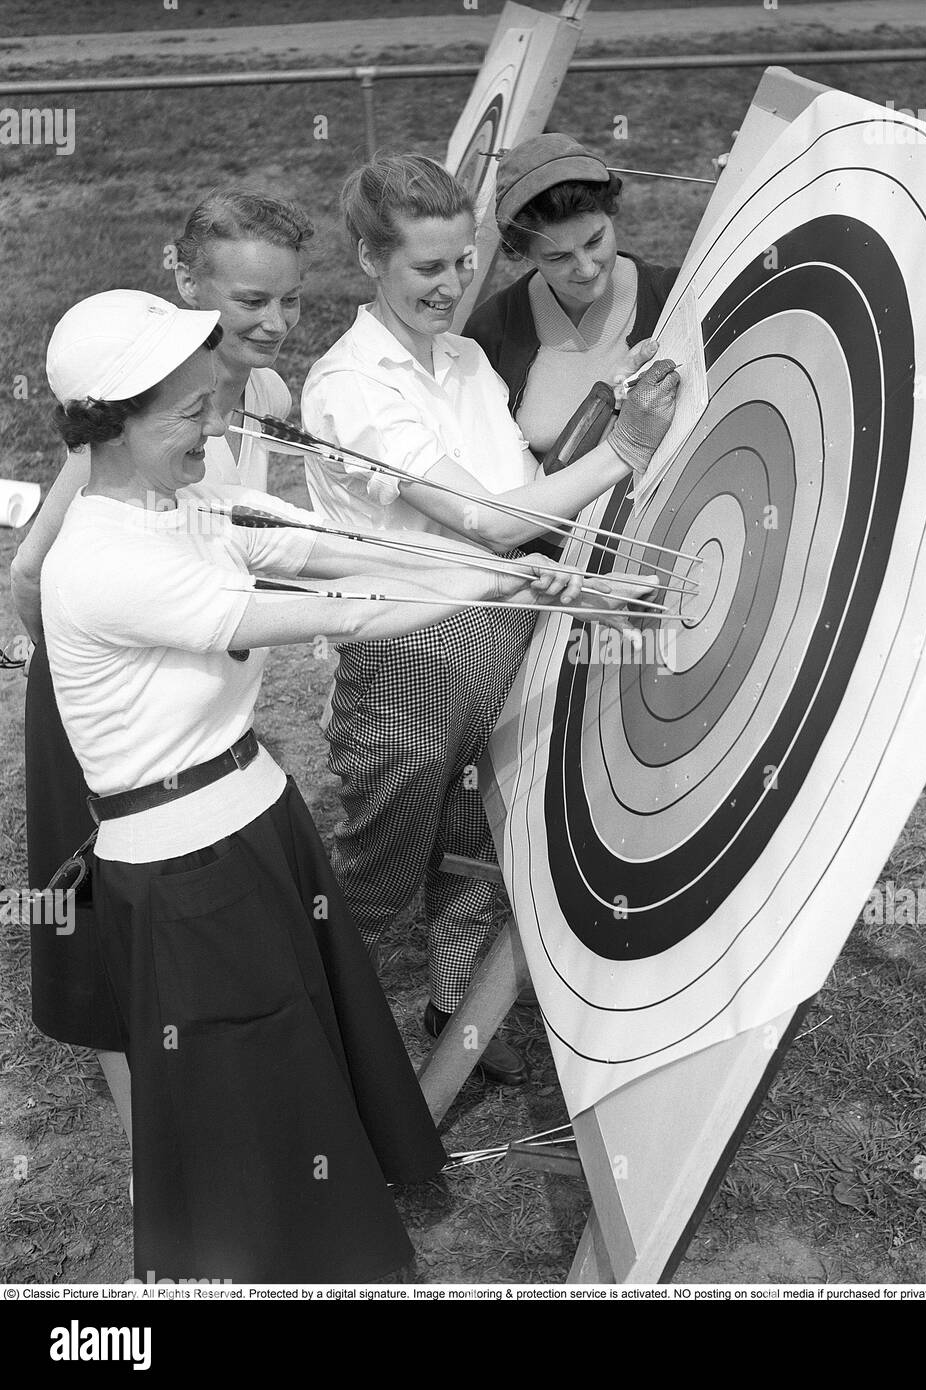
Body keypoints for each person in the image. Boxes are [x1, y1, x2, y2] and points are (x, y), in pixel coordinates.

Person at [37, 287, 613, 1281]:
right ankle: (266, 1260)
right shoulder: (103, 561)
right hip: (185, 874)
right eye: (185, 410)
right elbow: (330, 611)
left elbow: (326, 546)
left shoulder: (185, 497)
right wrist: (495, 576)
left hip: (255, 824)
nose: (211, 423)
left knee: (296, 1049)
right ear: (112, 424)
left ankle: (321, 1229)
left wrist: (494, 563)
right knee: (241, 1081)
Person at [301, 152, 678, 1087]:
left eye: (463, 261)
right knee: (382, 862)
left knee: (479, 835)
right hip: (408, 650)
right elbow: (492, 519)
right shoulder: (350, 385)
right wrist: (624, 449)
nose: (452, 284)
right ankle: (301, 1028)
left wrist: (554, 576)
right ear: (368, 261)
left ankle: (452, 1015)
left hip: (499, 619)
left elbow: (516, 508)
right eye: (427, 267)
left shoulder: (466, 358)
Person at [10, 191, 314, 1156]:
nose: (273, 324)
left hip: (193, 686)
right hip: (108, 694)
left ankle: (217, 1096)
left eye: (291, 301)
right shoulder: (136, 414)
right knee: (104, 907)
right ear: (184, 286)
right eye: (248, 302)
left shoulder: (259, 397)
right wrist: (80, 675)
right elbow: (34, 568)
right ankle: (153, 1139)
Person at [464, 132, 679, 460]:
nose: (587, 268)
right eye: (559, 257)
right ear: (524, 253)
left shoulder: (674, 294)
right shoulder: (491, 331)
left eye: (595, 241)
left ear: (611, 210)